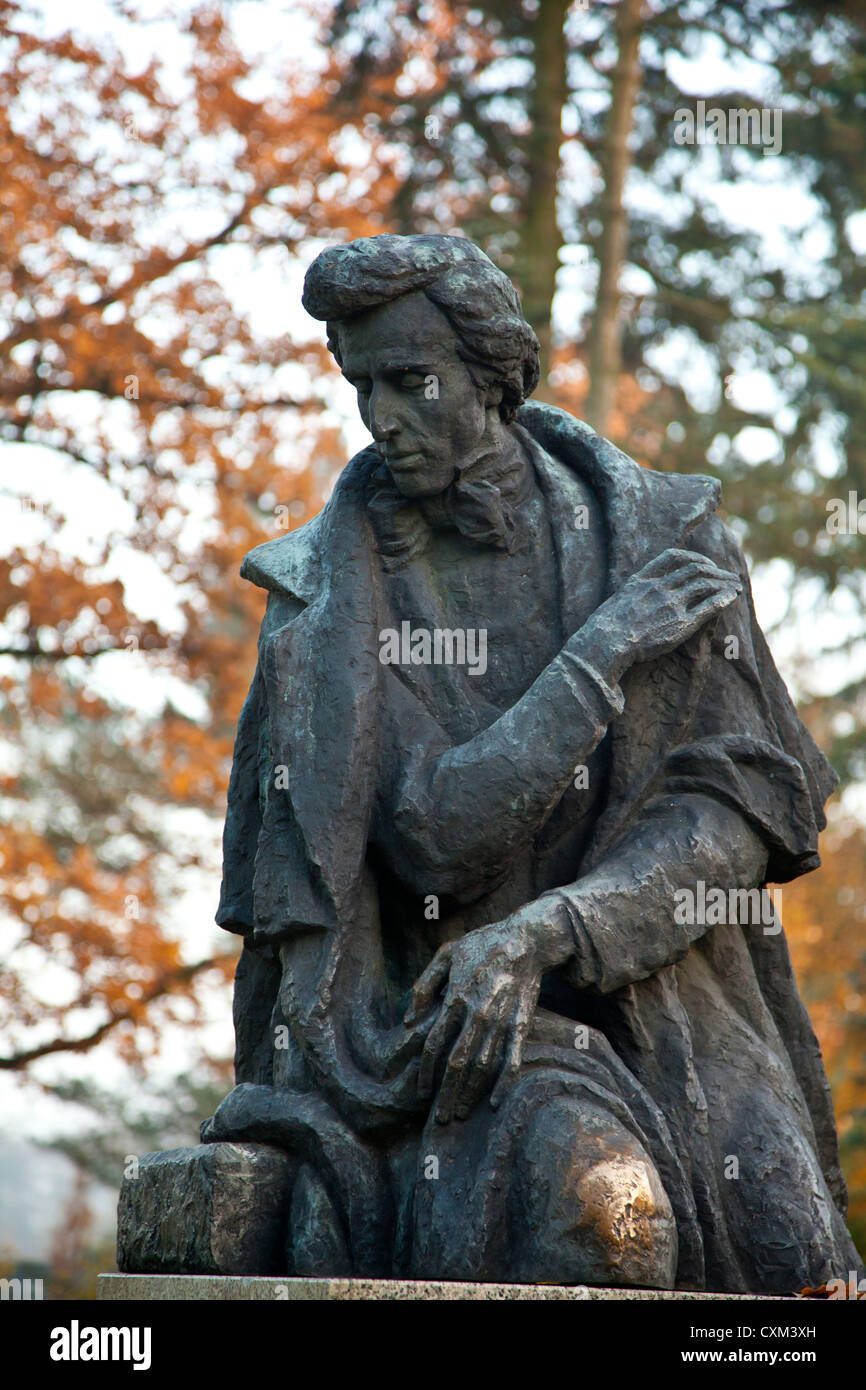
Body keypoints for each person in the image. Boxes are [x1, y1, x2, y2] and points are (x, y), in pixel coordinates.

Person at [203, 233, 862, 1292]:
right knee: (609, 1220)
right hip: (447, 1032)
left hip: (670, 1004)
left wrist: (558, 925)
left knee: (794, 1256)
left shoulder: (665, 533)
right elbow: (432, 833)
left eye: (411, 382)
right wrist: (598, 653)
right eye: (360, 385)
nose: (381, 418)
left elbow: (739, 810)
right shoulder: (327, 602)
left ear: (490, 374)